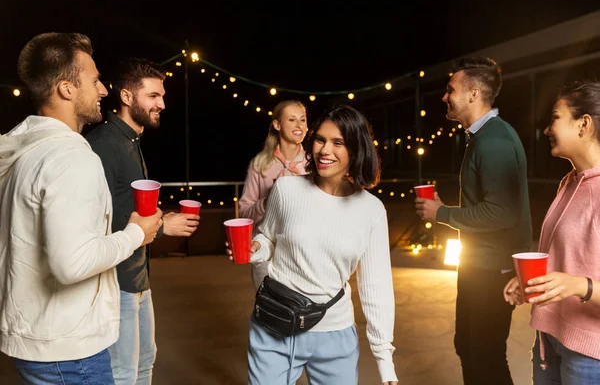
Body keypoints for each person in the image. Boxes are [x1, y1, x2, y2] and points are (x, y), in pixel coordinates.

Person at [0, 33, 162, 384]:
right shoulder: (71, 157)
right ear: (66, 89)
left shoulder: (27, 151)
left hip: (37, 341)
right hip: (69, 353)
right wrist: (136, 233)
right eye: (94, 81)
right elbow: (71, 263)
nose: (103, 90)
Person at [228, 105, 398, 384]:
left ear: (356, 150)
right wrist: (256, 248)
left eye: (338, 142)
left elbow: (376, 286)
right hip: (274, 325)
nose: (324, 150)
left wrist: (384, 357)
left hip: (335, 334)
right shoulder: (286, 190)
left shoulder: (372, 210)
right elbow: (268, 237)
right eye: (320, 139)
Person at [415, 57, 532, 385]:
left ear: (473, 94)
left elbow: (501, 212)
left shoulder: (494, 141)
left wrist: (442, 213)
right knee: (468, 347)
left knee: (485, 356)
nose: (444, 97)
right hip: (478, 265)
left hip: (492, 271)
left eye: (450, 89)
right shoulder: (484, 137)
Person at [86, 58, 200, 384]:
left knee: (144, 363)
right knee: (123, 374)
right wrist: (164, 227)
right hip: (115, 284)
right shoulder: (105, 145)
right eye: (153, 96)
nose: (162, 103)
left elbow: (127, 206)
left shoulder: (130, 141)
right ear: (126, 97)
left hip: (139, 280)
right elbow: (96, 220)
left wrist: (163, 215)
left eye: (161, 96)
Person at [504, 80, 600, 385]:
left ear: (584, 124)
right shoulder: (569, 182)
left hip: (588, 354)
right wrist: (531, 281)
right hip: (549, 337)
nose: (546, 130)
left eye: (555, 118)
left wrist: (578, 285)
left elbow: (577, 278)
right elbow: (569, 256)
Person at [238, 100, 308, 289]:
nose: (299, 125)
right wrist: (269, 201)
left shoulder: (314, 164)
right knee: (270, 312)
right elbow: (244, 211)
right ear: (277, 124)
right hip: (266, 253)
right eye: (292, 119)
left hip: (303, 253)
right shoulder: (260, 164)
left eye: (303, 119)